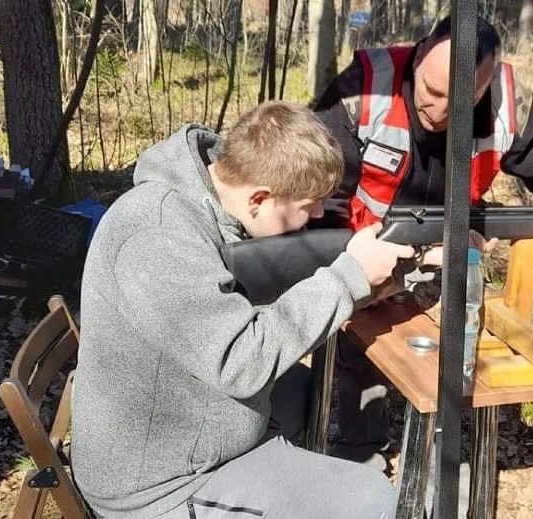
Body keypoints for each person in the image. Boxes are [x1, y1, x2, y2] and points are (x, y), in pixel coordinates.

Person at [311, 15, 533, 470]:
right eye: (433, 92)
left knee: (450, 347)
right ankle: (356, 448)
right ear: (419, 56)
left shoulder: (505, 102)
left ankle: (444, 458)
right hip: (360, 242)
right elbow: (318, 177)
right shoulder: (367, 85)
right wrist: (348, 259)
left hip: (448, 250)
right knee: (360, 343)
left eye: (460, 101)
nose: (439, 112)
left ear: (486, 84)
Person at [70, 101, 416, 519]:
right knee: (374, 499)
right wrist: (346, 279)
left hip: (182, 427)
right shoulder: (159, 236)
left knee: (310, 392)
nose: (320, 215)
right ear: (259, 198)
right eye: (309, 205)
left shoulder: (205, 202)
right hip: (159, 484)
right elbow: (241, 362)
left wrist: (394, 271)